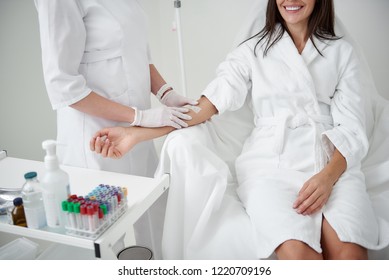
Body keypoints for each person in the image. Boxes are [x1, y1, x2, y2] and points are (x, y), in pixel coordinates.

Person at [90, 0, 388, 259]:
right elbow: (205, 107)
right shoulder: (252, 52)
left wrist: (327, 177)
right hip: (272, 166)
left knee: (350, 255)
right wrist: (136, 132)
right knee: (300, 257)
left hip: (334, 165)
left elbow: (352, 126)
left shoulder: (341, 52)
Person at [34, 0, 197, 177]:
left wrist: (166, 93)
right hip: (97, 138)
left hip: (138, 133)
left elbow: (136, 52)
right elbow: (62, 85)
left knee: (148, 194)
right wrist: (139, 117)